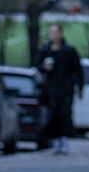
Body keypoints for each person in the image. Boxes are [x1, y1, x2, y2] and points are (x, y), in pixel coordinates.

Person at [35, 23, 83, 154]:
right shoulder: (45, 50)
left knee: (64, 114)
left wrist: (80, 86)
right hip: (50, 90)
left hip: (66, 89)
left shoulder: (69, 51)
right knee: (52, 115)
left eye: (55, 32)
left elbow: (78, 70)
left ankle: (64, 140)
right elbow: (37, 65)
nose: (53, 35)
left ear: (61, 34)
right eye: (51, 32)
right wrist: (43, 67)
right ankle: (55, 141)